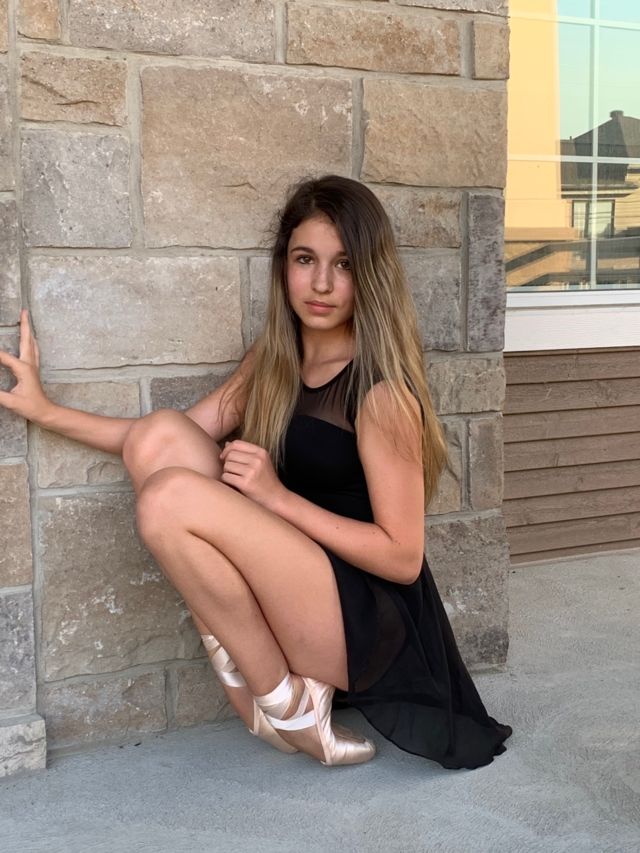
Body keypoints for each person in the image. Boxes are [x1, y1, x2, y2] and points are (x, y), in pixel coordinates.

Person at [0, 175, 511, 769]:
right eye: (305, 259)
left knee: (166, 500)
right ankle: (266, 682)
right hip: (293, 590)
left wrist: (276, 497)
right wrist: (45, 410)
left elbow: (402, 558)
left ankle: (281, 700)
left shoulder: (380, 393)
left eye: (344, 264)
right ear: (284, 266)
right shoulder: (271, 361)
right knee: (162, 435)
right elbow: (152, 441)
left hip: (364, 625)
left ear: (369, 275)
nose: (322, 284)